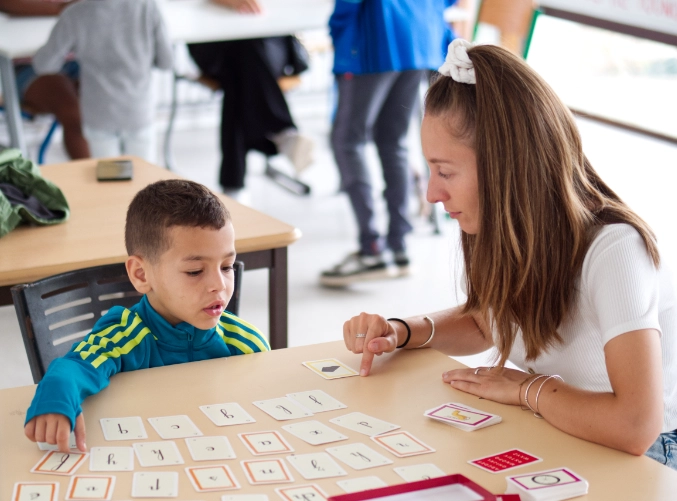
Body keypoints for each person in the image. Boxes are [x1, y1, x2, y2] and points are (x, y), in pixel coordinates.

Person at [342, 40, 677, 469]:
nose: (431, 193)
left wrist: (525, 389)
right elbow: (490, 320)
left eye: (445, 171)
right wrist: (402, 331)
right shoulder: (509, 230)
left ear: (507, 166)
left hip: (645, 461)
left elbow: (635, 427)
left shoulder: (615, 251)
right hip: (558, 429)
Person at [24, 179, 270, 453]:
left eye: (226, 266)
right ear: (141, 274)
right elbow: (74, 367)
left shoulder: (245, 344)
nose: (219, 285)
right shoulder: (125, 335)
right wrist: (56, 399)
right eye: (194, 271)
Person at [320, 0, 456, 287]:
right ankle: (398, 246)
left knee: (347, 141)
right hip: (421, 37)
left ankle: (372, 247)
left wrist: (339, 31)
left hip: (374, 37)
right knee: (393, 142)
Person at [186, 0, 314, 194]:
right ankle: (280, 131)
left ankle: (233, 182)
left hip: (266, 40)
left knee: (240, 74)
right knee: (242, 63)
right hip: (216, 44)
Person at [31, 0, 173, 162]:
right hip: (138, 110)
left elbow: (44, 65)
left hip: (99, 114)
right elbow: (166, 62)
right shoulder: (147, 7)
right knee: (145, 177)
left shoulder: (75, 13)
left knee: (107, 179)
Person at [0, 0, 90, 159]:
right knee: (74, 113)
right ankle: (97, 180)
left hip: (80, 58)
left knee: (117, 100)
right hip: (25, 64)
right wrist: (68, 8)